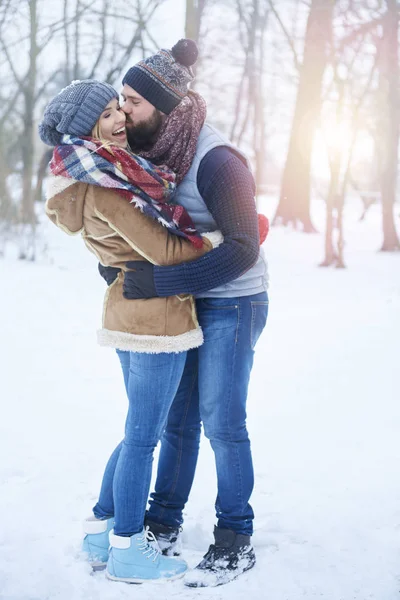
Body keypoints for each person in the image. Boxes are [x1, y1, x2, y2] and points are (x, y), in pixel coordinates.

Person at [38, 79, 223, 584]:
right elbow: (164, 252)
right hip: (155, 321)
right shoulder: (107, 185)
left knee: (138, 433)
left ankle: (102, 528)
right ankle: (126, 549)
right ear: (86, 131)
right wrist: (219, 239)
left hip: (130, 313)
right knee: (144, 439)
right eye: (106, 117)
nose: (120, 119)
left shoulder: (94, 173)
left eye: (119, 108)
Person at [100, 39, 269, 587]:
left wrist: (163, 279)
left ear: (165, 108)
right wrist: (116, 264)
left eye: (133, 101)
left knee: (221, 419)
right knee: (177, 420)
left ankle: (234, 534)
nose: (124, 110)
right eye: (121, 99)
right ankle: (163, 520)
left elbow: (244, 245)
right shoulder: (152, 151)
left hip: (235, 300)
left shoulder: (219, 161)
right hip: (186, 299)